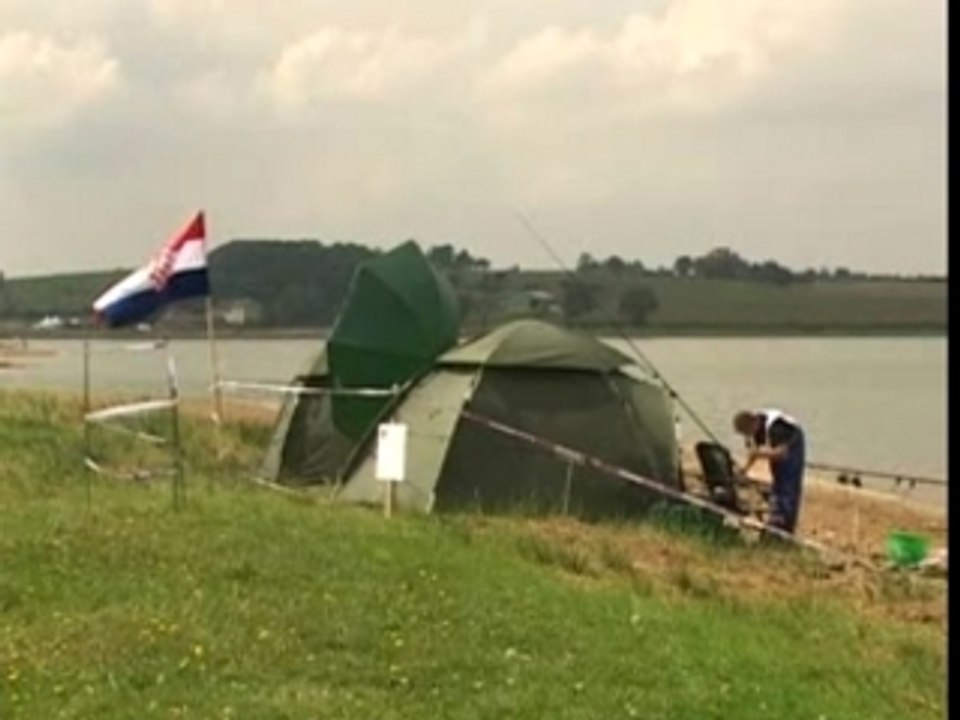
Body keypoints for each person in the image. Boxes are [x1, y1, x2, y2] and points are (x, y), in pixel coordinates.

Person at [732, 408, 806, 535]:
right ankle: (777, 518)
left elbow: (782, 453)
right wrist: (744, 469)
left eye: (748, 432)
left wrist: (761, 453)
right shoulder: (756, 430)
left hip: (792, 443)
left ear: (753, 423)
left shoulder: (776, 428)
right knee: (777, 479)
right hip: (777, 447)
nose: (748, 436)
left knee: (788, 482)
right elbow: (754, 451)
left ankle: (786, 526)